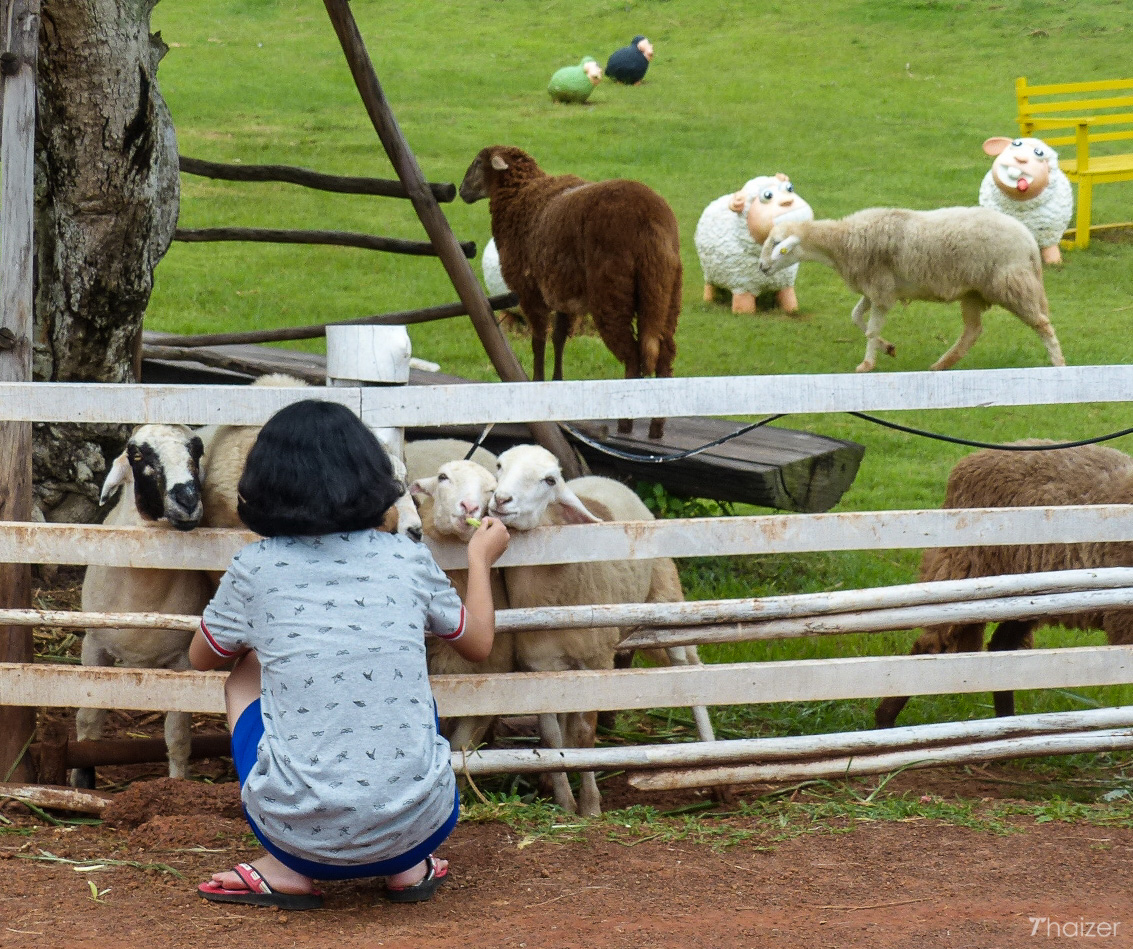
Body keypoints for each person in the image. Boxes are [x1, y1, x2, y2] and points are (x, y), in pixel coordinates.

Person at [190, 399, 510, 910]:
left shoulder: (255, 567)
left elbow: (203, 656)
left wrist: (271, 634)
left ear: (264, 483)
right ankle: (407, 865)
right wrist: (479, 559)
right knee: (399, 681)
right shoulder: (407, 557)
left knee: (245, 674)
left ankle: (284, 870)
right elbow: (478, 644)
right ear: (370, 475)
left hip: (300, 839)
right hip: (422, 826)